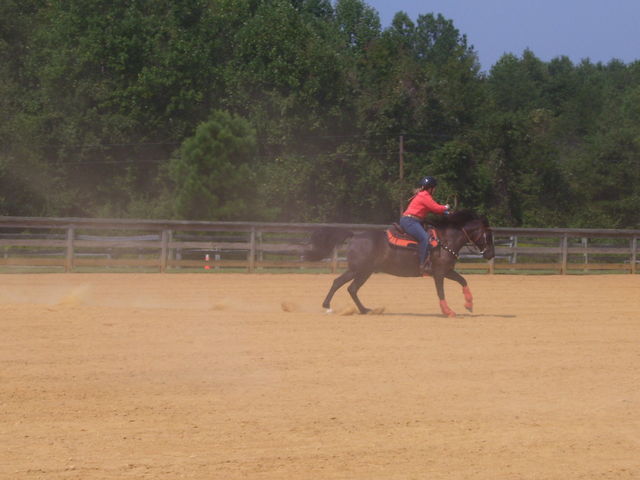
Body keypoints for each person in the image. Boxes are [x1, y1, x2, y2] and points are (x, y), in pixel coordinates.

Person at [399, 176, 450, 273]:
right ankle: (423, 265)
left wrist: (445, 212)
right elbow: (435, 208)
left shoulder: (422, 195)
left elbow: (432, 209)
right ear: (430, 188)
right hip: (411, 221)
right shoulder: (425, 196)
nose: (435, 190)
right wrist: (446, 207)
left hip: (411, 220)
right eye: (434, 188)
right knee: (425, 238)